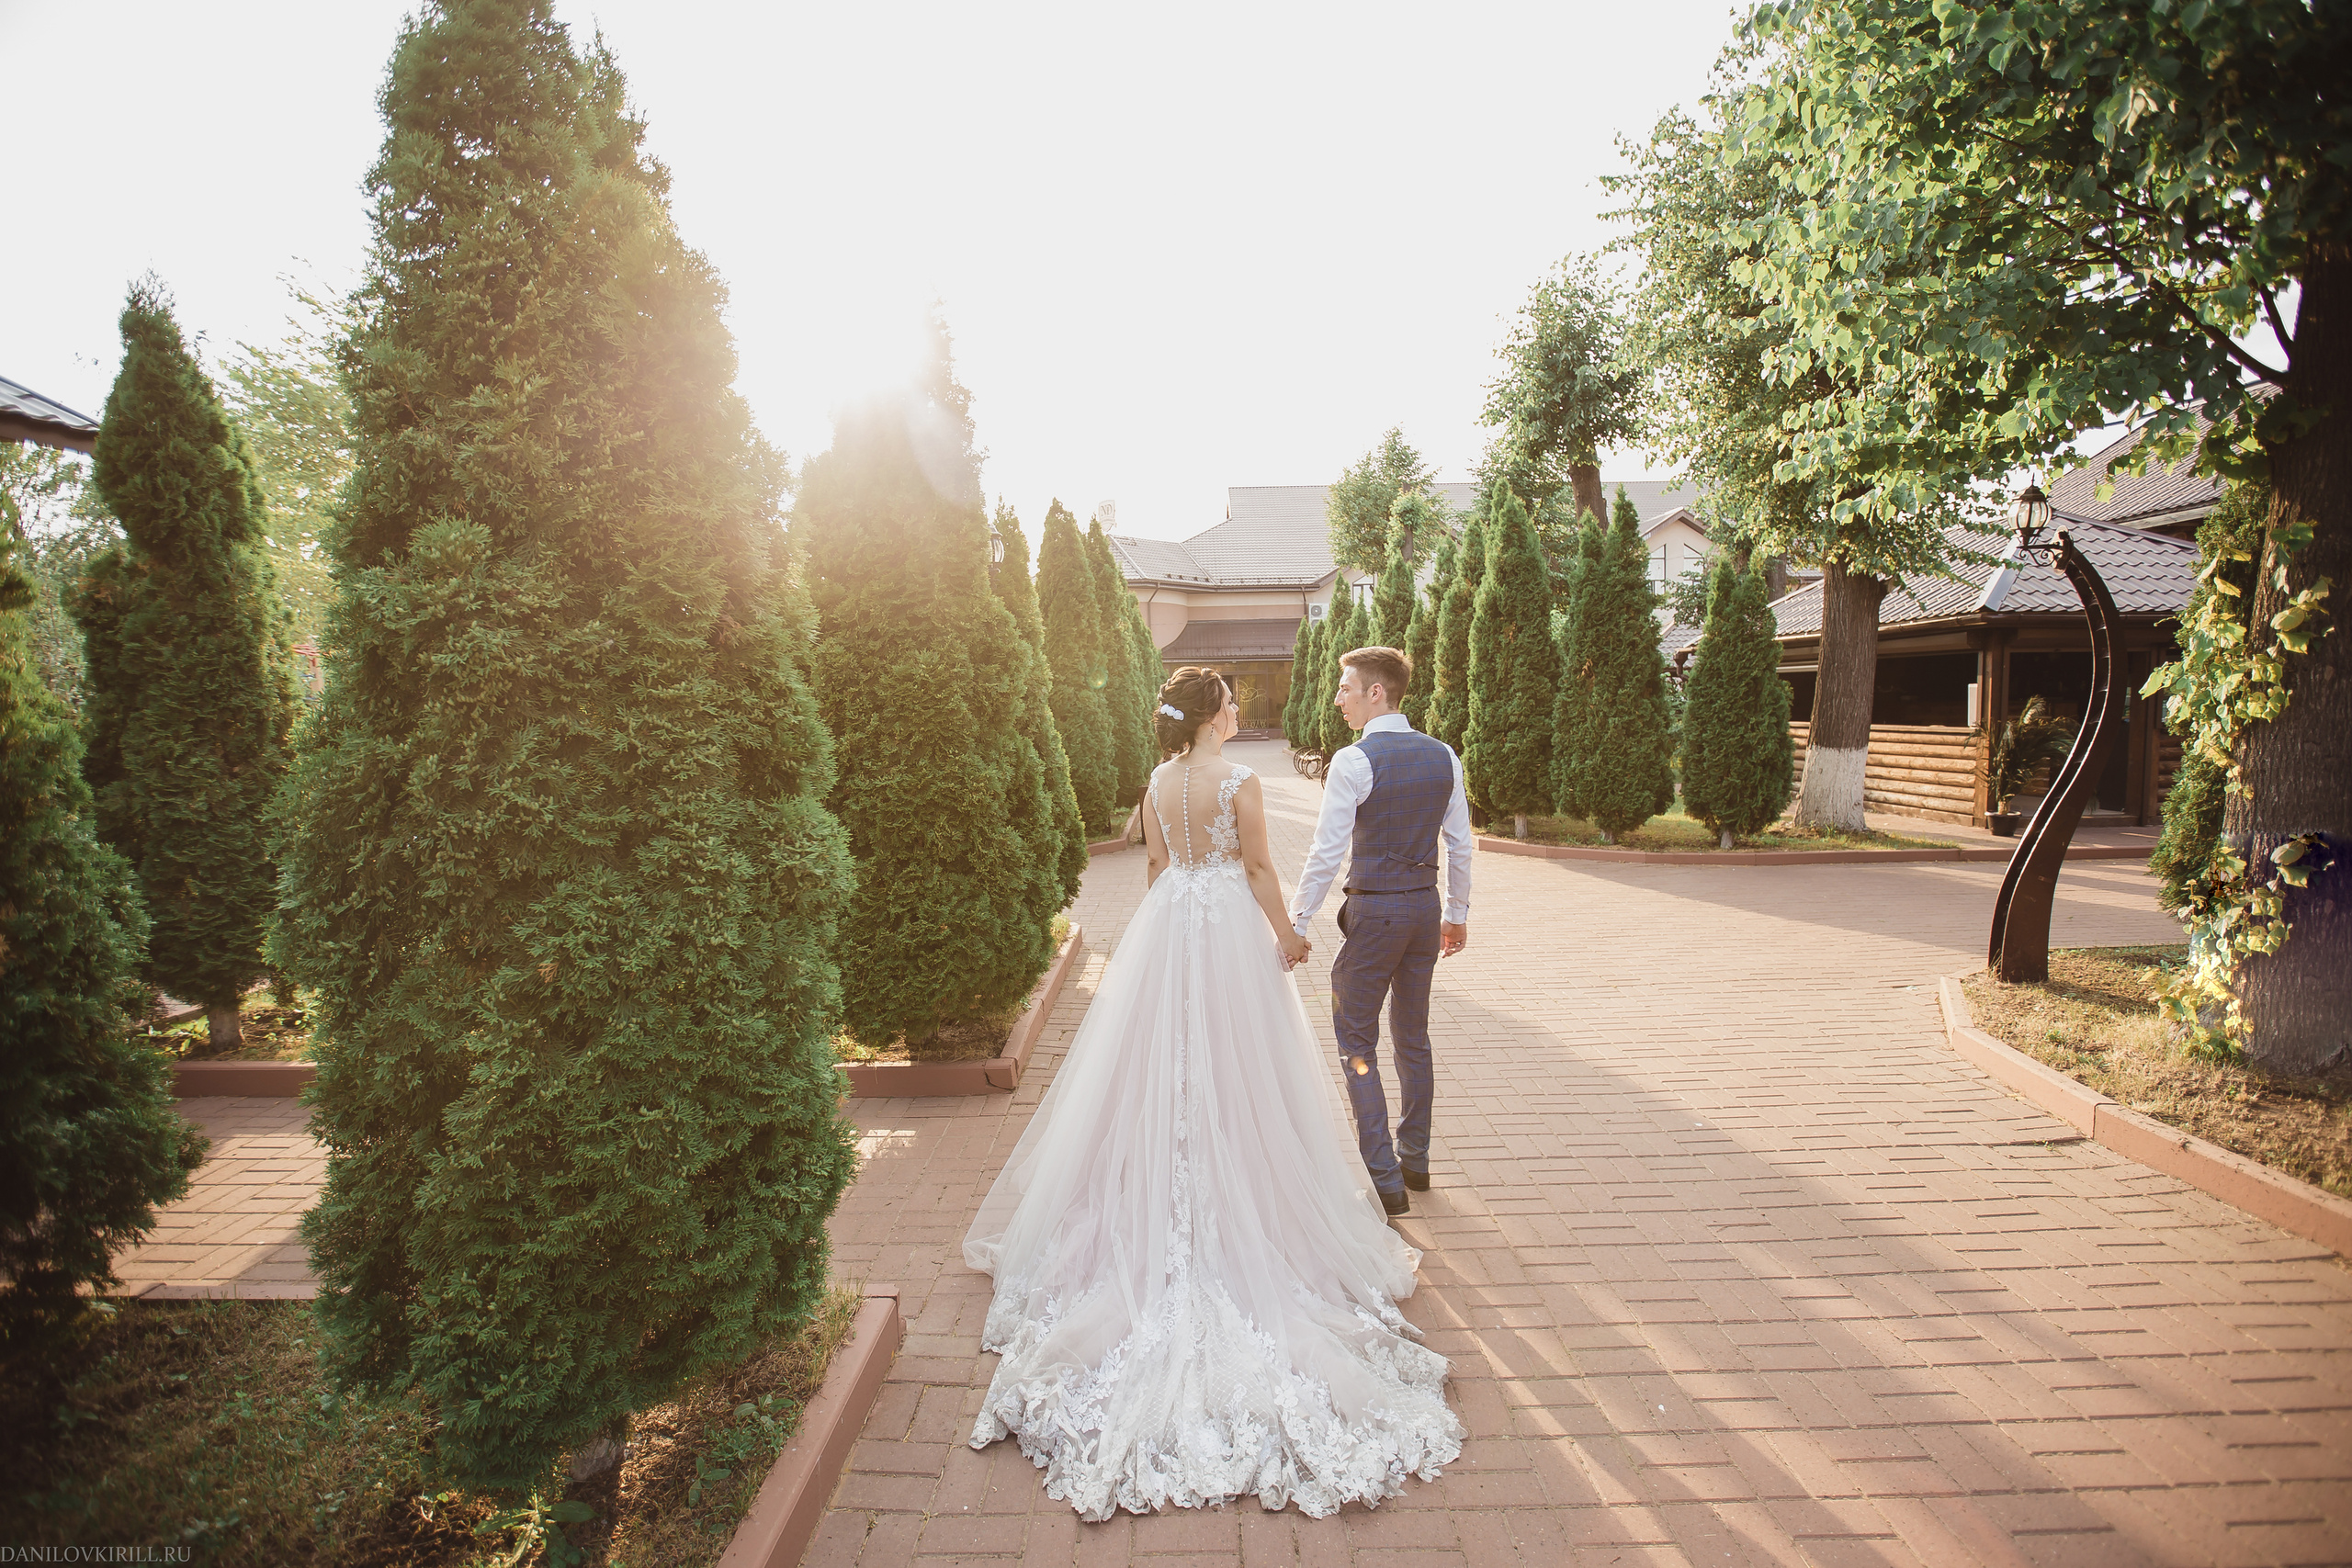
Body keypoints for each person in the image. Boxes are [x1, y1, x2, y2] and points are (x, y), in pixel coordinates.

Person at [963, 664, 1464, 1521]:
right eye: (1232, 701)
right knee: (1246, 1073)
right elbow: (1263, 869)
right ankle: (1248, 1199)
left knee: (1166, 1070)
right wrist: (1286, 937)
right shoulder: (1239, 780)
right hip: (1230, 928)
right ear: (1211, 716)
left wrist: (1164, 953)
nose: (1239, 711)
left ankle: (1161, 1201)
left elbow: (1158, 869)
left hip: (1172, 933)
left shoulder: (1159, 781)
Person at [1288, 645, 1473, 1216]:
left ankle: (1384, 1176)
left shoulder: (1353, 761)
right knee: (1413, 1037)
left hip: (1374, 917)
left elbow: (1326, 851)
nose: (1337, 698)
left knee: (1356, 1043)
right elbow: (1461, 843)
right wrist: (1456, 914)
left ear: (1376, 693)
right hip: (1423, 912)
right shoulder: (1444, 754)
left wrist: (1296, 922)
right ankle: (1414, 1158)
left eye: (1346, 688)